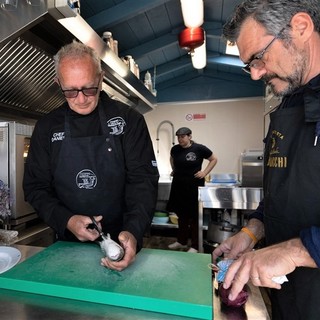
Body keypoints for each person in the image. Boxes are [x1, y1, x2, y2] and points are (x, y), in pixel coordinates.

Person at [211, 0, 320, 319]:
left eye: (258, 57)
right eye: (249, 65)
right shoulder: (287, 105)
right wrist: (251, 233)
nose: (256, 73)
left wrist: (295, 250)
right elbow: (282, 193)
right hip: (289, 297)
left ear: (300, 27)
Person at [23, 40, 159, 271]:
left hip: (125, 243)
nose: (82, 98)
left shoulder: (129, 121)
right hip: (67, 248)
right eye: (70, 91)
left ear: (100, 78)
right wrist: (66, 220)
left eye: (89, 88)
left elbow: (143, 181)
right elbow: (35, 187)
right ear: (58, 84)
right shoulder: (47, 128)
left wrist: (133, 231)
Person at [167, 127, 217, 253]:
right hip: (178, 185)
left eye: (182, 137)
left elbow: (213, 159)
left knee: (194, 217)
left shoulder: (199, 148)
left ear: (189, 136)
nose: (180, 139)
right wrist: (174, 169)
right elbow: (172, 158)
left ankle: (195, 245)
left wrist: (204, 172)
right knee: (181, 215)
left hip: (194, 186)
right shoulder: (175, 149)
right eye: (178, 137)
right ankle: (181, 241)